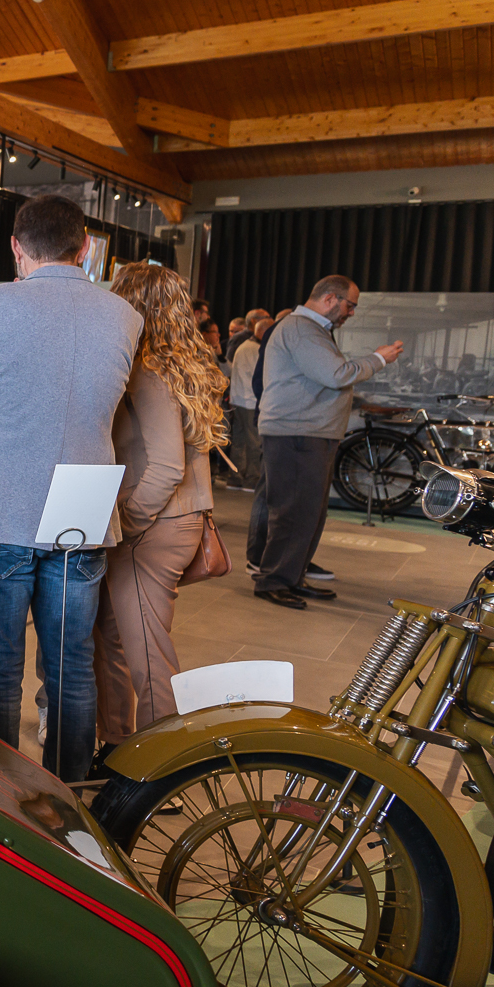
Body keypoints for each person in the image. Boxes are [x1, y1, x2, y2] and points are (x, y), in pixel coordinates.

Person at [0, 194, 143, 782]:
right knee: (72, 664)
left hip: (2, 501)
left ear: (17, 249)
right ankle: (69, 792)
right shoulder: (124, 315)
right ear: (85, 248)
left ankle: (0, 795)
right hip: (84, 498)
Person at [93, 264, 225, 745]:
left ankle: (159, 768)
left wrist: (124, 521)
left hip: (153, 524)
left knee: (148, 653)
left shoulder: (149, 369)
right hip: (172, 519)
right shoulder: (181, 361)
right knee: (111, 640)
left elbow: (167, 466)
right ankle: (113, 748)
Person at [247, 276, 403, 608]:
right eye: (350, 305)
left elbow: (323, 379)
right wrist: (378, 359)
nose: (351, 313)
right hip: (296, 433)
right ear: (330, 298)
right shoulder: (302, 328)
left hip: (308, 433)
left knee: (308, 513)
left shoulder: (311, 330)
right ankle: (272, 581)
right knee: (292, 512)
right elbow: (336, 374)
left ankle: (290, 576)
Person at [227, 316, 270, 491]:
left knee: (238, 441)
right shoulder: (257, 350)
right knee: (254, 442)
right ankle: (252, 479)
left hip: (237, 399)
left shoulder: (243, 347)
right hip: (251, 401)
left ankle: (235, 478)